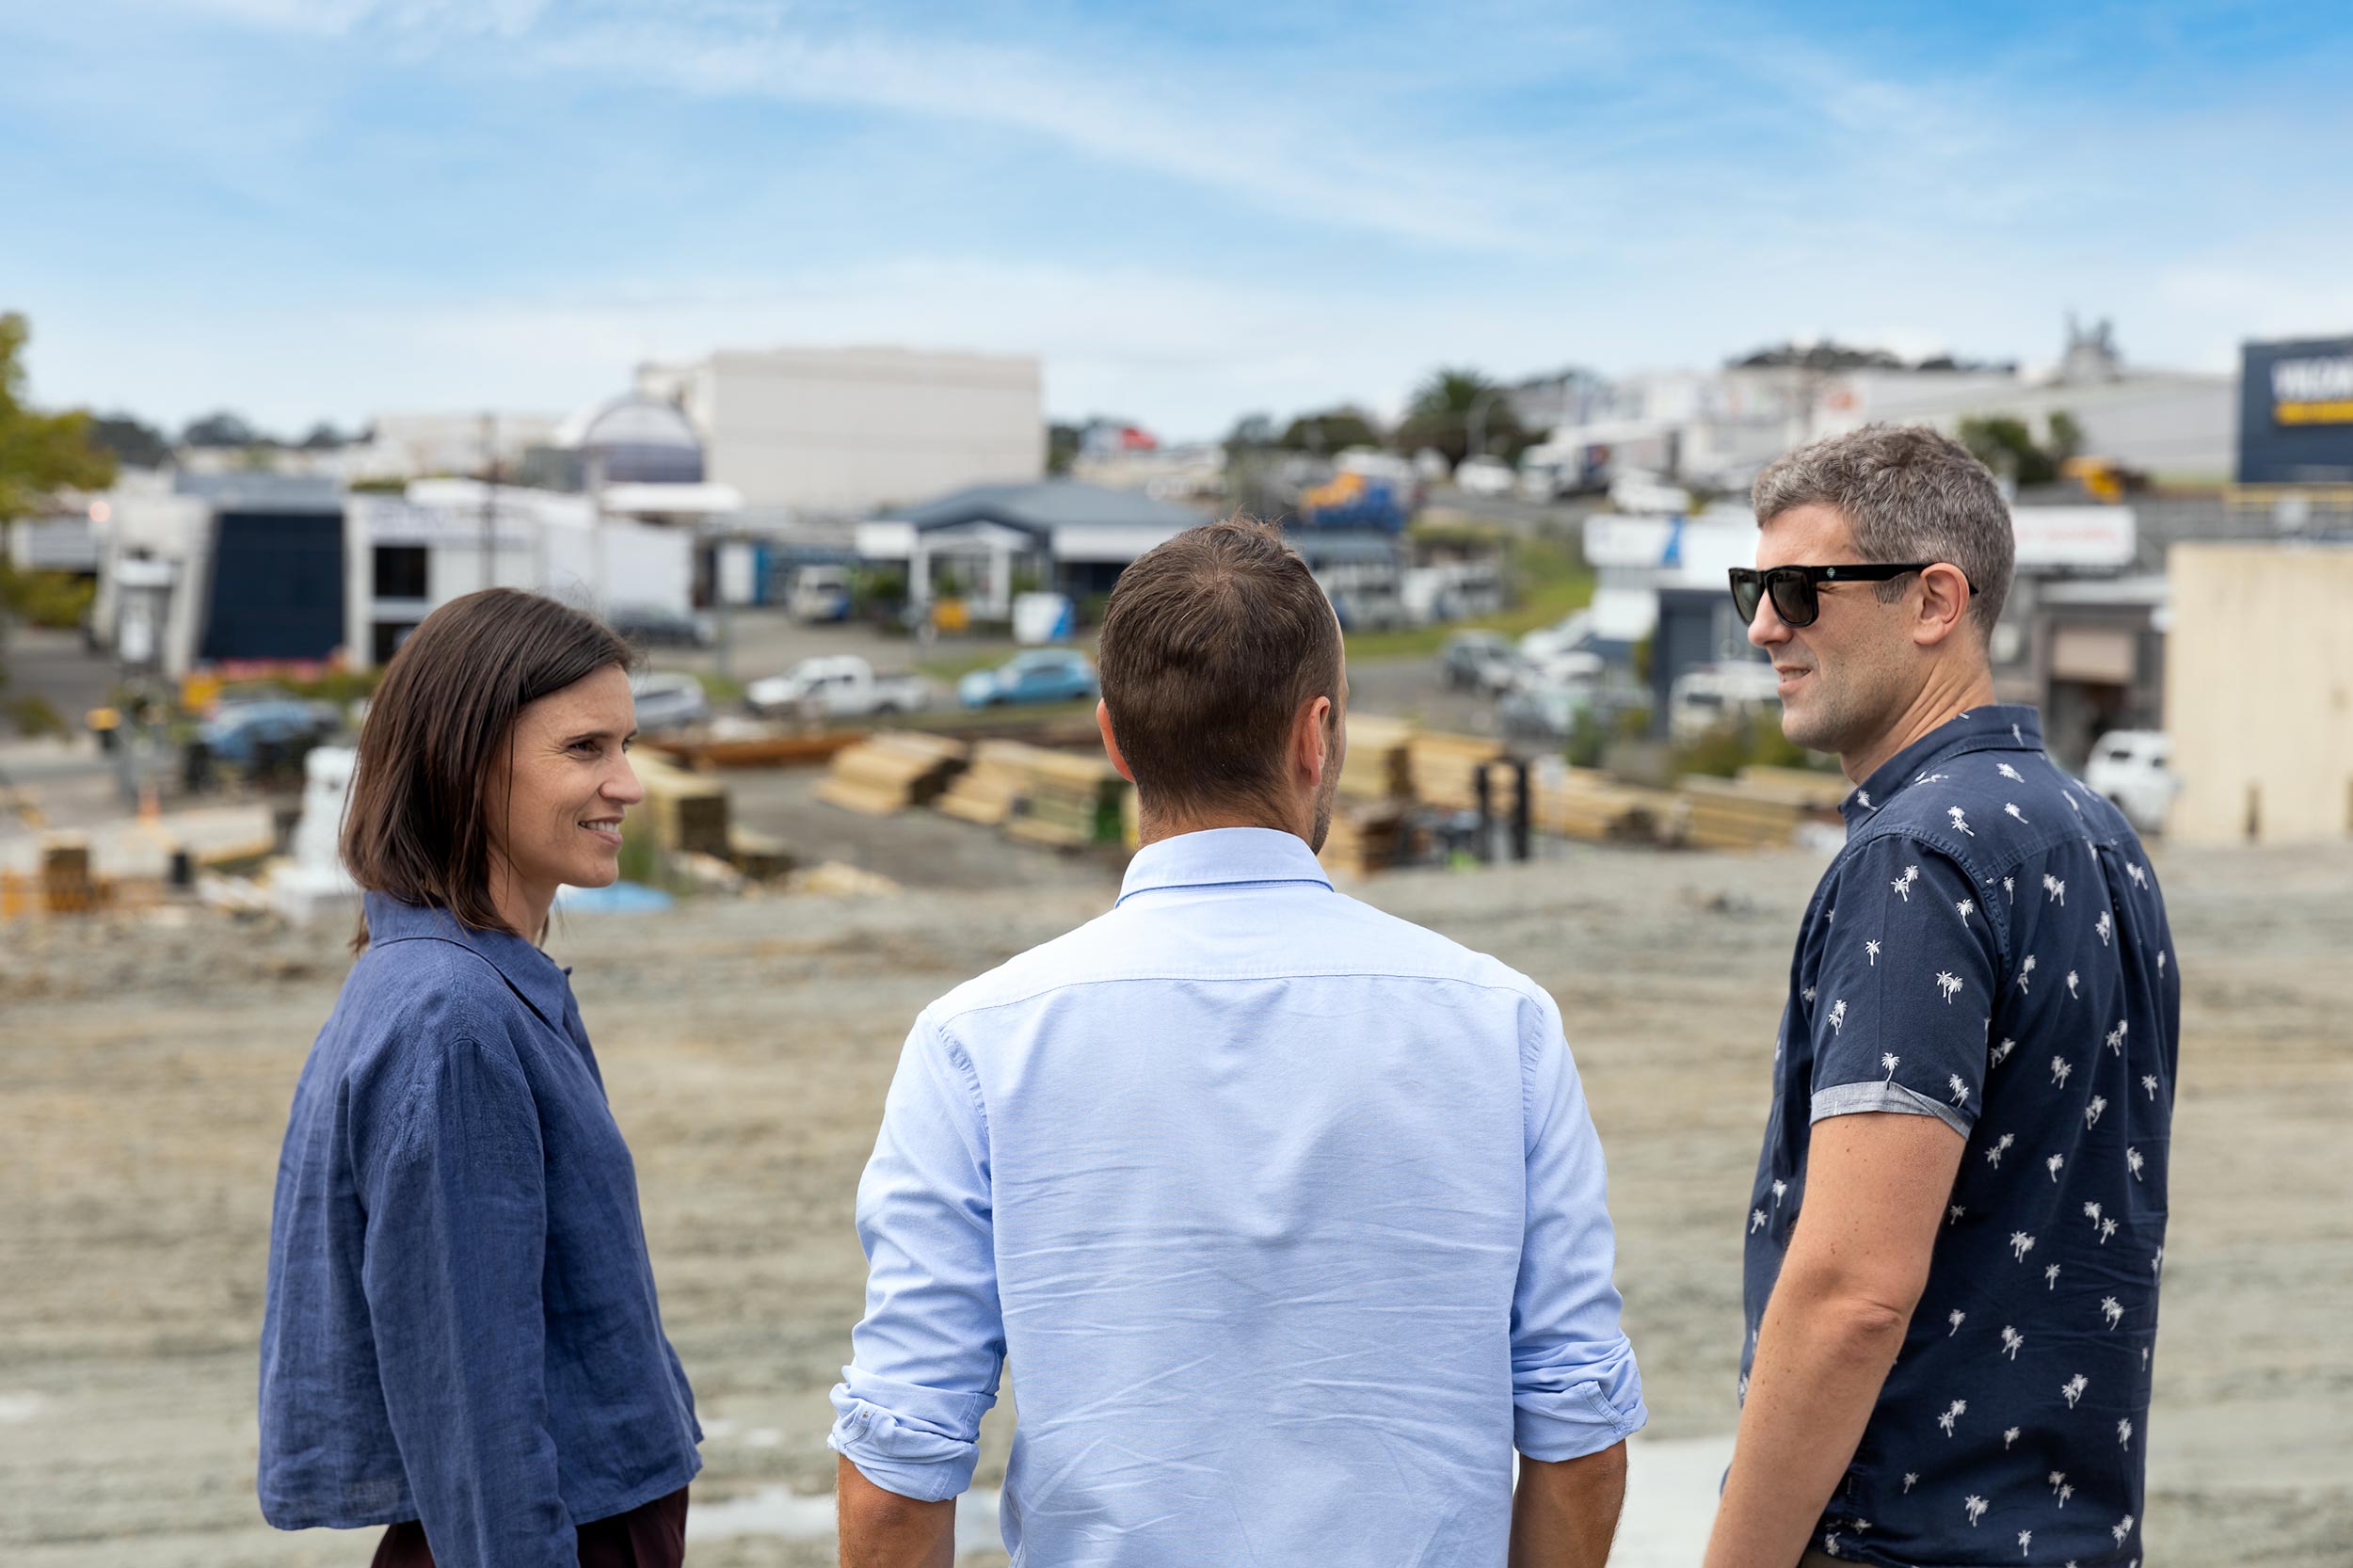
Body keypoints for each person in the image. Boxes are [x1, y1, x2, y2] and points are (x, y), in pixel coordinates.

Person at [831, 518, 1645, 1567]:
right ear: (1317, 735)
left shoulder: (975, 1042)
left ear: (1113, 740)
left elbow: (899, 1469)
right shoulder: (1502, 1023)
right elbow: (1577, 1428)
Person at [1703, 426, 2179, 1568]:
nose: (1765, 624)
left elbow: (1853, 1290)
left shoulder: (1913, 859)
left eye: (1799, 590)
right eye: (1750, 590)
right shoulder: (2097, 836)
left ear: (1933, 601)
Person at [258, 588, 701, 1568]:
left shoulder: (481, 982)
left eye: (625, 744)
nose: (628, 783)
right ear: (463, 764)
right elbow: (471, 1400)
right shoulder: (450, 1018)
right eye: (586, 749)